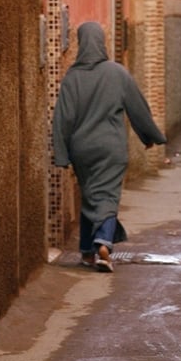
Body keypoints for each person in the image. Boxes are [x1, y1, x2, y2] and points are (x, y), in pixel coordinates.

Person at [52, 21, 167, 272]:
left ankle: (86, 251)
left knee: (90, 194)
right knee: (106, 196)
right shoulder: (117, 73)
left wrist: (61, 154)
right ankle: (103, 244)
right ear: (102, 43)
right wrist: (150, 137)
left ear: (81, 43)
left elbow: (62, 118)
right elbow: (137, 107)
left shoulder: (72, 77)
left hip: (81, 150)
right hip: (111, 149)